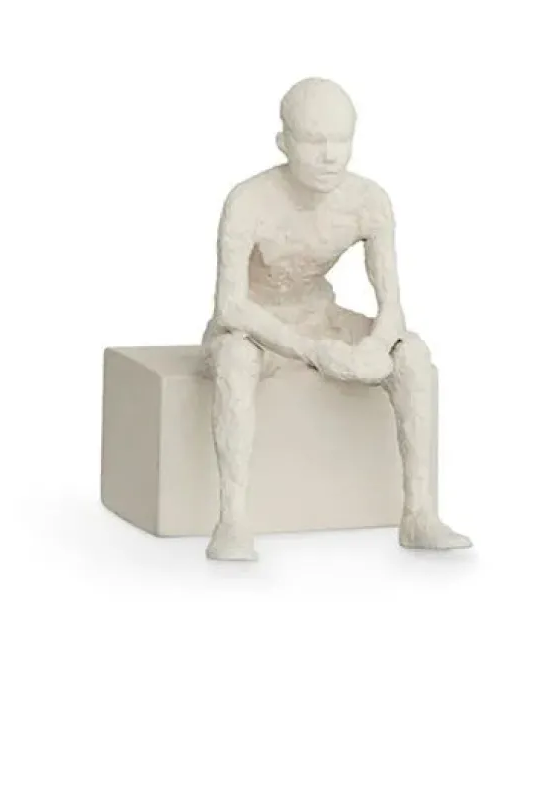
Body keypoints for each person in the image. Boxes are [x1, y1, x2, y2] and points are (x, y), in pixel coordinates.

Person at [201, 76, 471, 560]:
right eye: (314, 141)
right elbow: (231, 306)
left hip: (321, 316)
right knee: (235, 360)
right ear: (284, 142)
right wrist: (313, 352)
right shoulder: (248, 201)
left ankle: (419, 514)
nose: (330, 156)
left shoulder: (369, 201)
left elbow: (392, 306)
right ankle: (233, 521)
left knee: (412, 354)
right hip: (258, 326)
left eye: (341, 140)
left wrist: (373, 347)